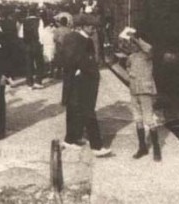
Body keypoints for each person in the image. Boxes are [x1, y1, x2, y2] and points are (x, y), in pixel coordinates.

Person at [61, 14, 111, 157]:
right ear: (82, 26)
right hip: (80, 81)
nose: (93, 29)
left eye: (94, 27)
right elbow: (69, 58)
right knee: (88, 111)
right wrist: (79, 70)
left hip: (84, 80)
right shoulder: (74, 38)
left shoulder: (84, 39)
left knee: (76, 110)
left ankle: (71, 139)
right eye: (90, 27)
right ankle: (97, 146)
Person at [119, 27, 162, 161]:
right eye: (131, 43)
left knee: (149, 119)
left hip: (145, 90)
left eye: (134, 43)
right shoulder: (131, 57)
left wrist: (137, 39)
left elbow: (149, 49)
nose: (132, 45)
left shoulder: (147, 55)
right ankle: (142, 147)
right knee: (138, 119)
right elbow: (127, 67)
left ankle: (156, 149)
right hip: (134, 91)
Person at [19, 7, 44, 89]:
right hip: (36, 44)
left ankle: (29, 83)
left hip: (27, 44)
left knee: (29, 64)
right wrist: (41, 44)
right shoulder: (39, 21)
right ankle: (38, 81)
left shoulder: (24, 22)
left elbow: (20, 35)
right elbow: (41, 34)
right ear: (36, 13)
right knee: (39, 63)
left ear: (29, 13)